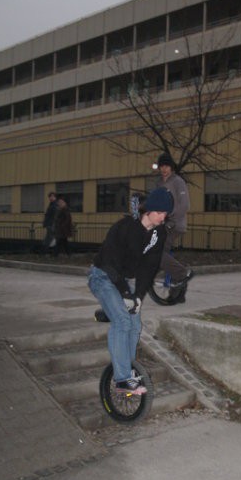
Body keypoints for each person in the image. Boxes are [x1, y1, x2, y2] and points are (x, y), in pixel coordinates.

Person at [87, 187, 173, 394]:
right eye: (160, 212)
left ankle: (127, 366)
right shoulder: (124, 227)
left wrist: (138, 297)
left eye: (166, 213)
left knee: (135, 325)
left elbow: (149, 267)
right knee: (123, 321)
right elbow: (109, 263)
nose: (164, 217)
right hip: (103, 276)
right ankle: (122, 380)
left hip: (124, 279)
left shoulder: (159, 233)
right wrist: (126, 294)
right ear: (149, 210)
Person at [155, 152, 194, 300]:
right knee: (157, 252)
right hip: (162, 223)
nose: (164, 169)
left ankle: (182, 274)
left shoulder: (178, 181)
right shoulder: (159, 183)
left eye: (167, 166)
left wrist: (170, 217)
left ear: (171, 167)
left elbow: (185, 205)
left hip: (175, 224)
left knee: (158, 251)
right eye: (162, 166)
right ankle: (179, 290)